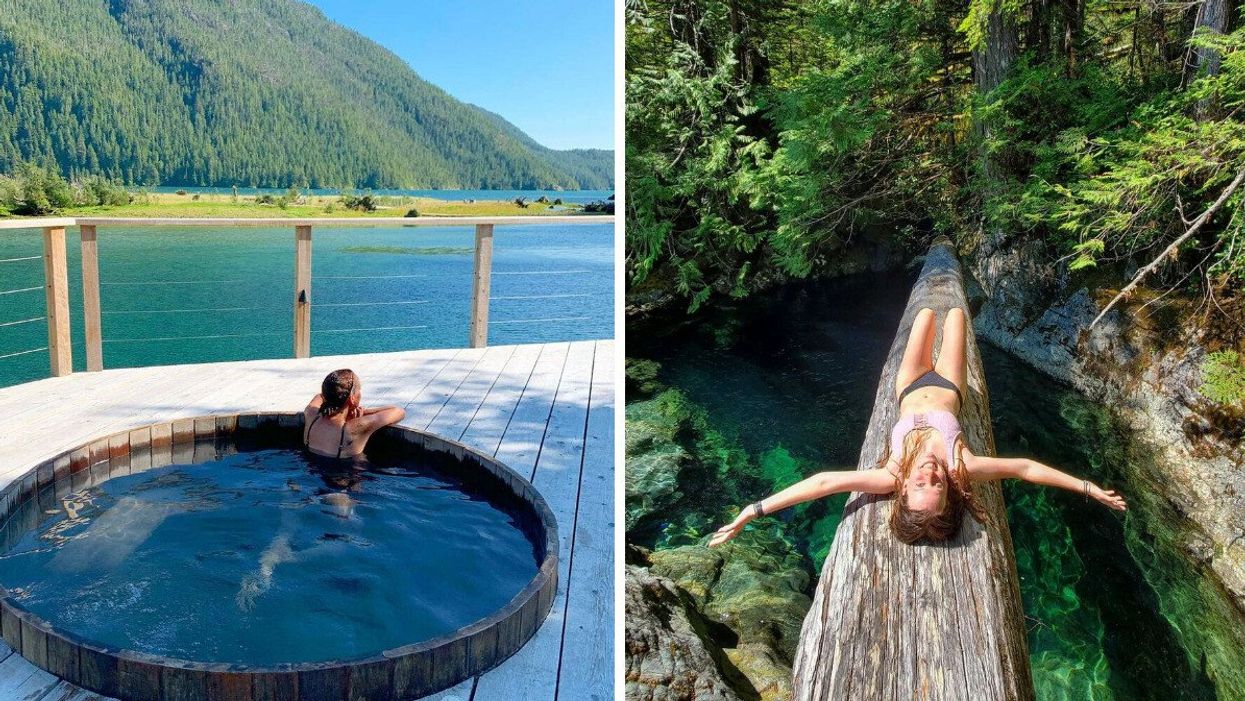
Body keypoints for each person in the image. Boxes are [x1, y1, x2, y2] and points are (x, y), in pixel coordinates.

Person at [709, 307, 1126, 547]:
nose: (930, 476)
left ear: (903, 491)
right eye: (937, 487)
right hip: (949, 387)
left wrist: (754, 510)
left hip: (909, 383)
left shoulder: (889, 474)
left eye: (921, 486)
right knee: (959, 314)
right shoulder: (961, 466)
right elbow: (1025, 470)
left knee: (925, 311)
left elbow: (822, 483)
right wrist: (1086, 487)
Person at [302, 368, 406, 460]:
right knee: (361, 460)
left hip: (310, 468)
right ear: (352, 398)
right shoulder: (355, 427)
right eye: (359, 390)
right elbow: (398, 411)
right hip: (346, 477)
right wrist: (362, 412)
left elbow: (319, 396)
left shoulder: (311, 415)